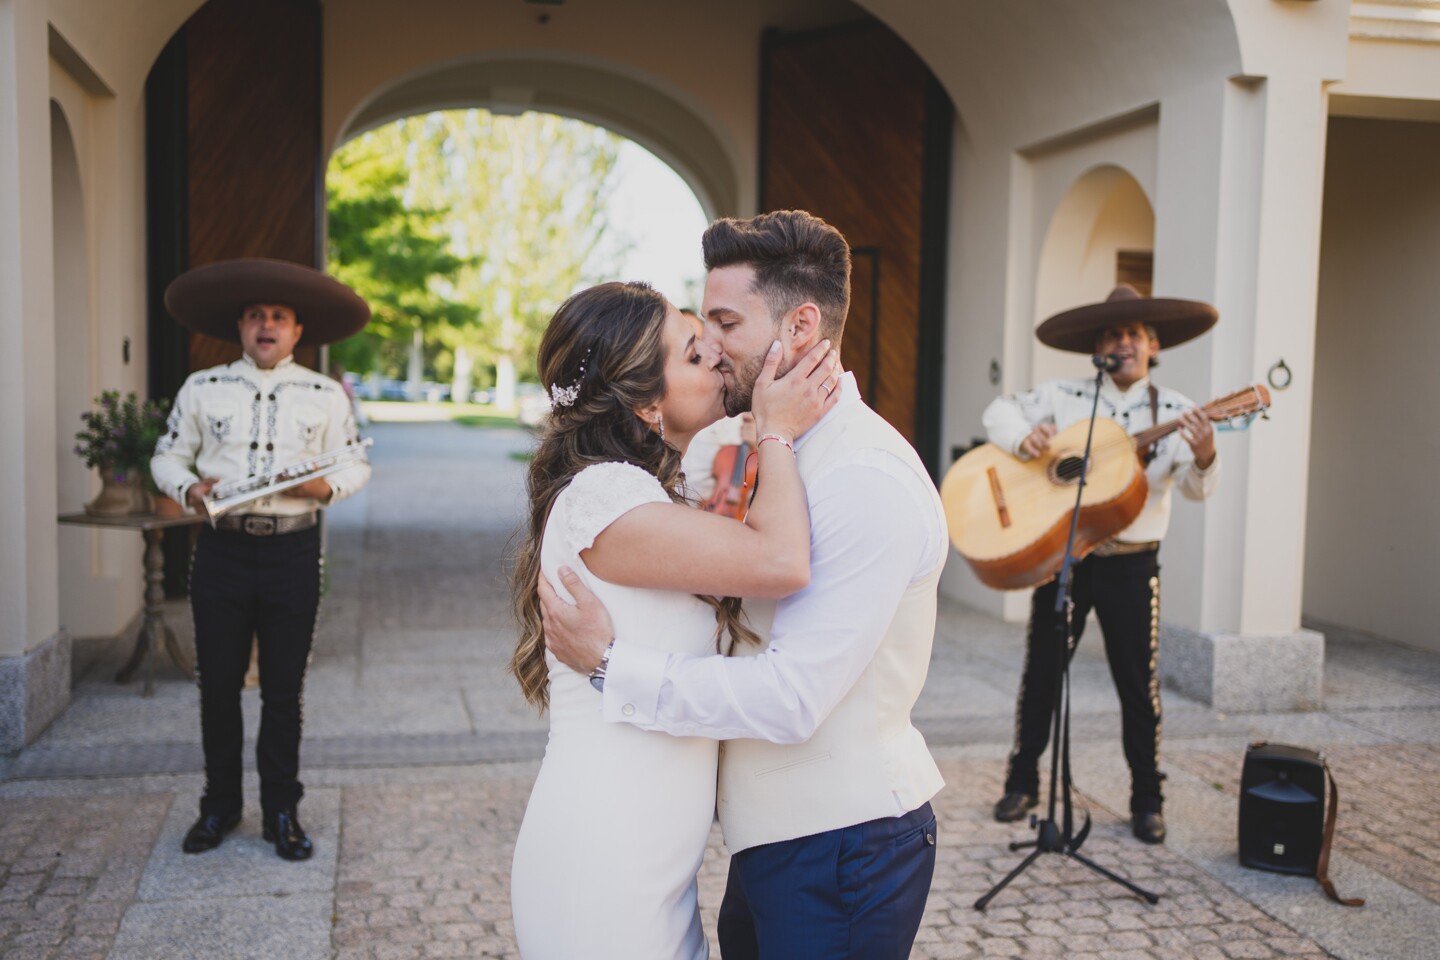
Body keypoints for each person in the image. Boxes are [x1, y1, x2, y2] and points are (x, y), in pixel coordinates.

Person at [541, 210, 949, 960]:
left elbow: (793, 697)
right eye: (697, 339)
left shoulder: (862, 478)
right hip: (763, 844)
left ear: (798, 328)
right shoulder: (769, 447)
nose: (712, 347)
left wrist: (611, 666)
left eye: (724, 324)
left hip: (841, 843)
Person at [508, 280, 841, 959]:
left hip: (654, 862)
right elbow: (780, 561)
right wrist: (777, 432)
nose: (718, 357)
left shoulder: (649, 490)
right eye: (694, 353)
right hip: (604, 864)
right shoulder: (604, 496)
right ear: (644, 399)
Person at [981, 283, 1220, 845]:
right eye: (1113, 333)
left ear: (1153, 347)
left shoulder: (1179, 411)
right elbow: (999, 411)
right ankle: (1022, 782)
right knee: (1041, 673)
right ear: (1098, 346)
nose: (1123, 342)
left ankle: (1147, 798)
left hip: (1132, 567)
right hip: (1066, 558)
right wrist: (1025, 438)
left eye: (1134, 334)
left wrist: (1206, 454)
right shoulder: (1066, 395)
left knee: (1138, 685)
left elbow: (1195, 490)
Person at [151, 258, 372, 861]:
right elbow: (168, 457)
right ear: (240, 328)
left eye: (278, 317)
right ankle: (219, 806)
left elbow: (354, 464)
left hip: (294, 550)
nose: (266, 325)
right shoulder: (203, 387)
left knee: (283, 689)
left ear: (298, 331)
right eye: (255, 316)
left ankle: (282, 810)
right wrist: (190, 489)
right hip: (222, 549)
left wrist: (320, 489)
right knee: (217, 687)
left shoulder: (324, 395)